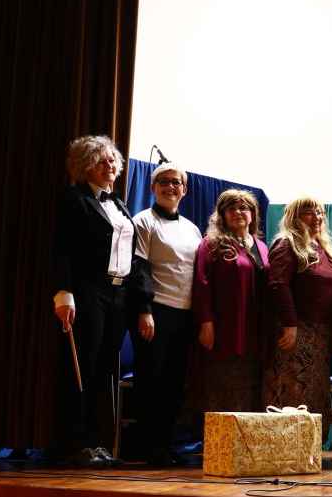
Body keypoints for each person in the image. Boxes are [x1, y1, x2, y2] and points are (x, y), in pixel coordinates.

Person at [52, 135, 150, 468]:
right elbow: (63, 249)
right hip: (88, 290)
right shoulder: (75, 199)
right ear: (85, 166)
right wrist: (63, 292)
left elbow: (132, 257)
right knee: (84, 367)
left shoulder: (119, 204)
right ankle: (74, 443)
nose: (110, 164)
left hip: (118, 295)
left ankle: (96, 443)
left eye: (112, 160)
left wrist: (141, 304)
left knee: (105, 369)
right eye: (101, 159)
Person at [130, 163, 202, 466]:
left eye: (176, 182)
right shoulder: (143, 221)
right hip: (156, 311)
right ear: (153, 188)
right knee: (152, 380)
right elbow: (139, 268)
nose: (170, 187)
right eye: (164, 181)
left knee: (175, 384)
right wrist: (144, 310)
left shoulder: (192, 228)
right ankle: (148, 447)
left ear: (184, 190)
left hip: (184, 314)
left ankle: (166, 444)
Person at [265, 197, 332, 433]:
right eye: (309, 212)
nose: (317, 217)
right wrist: (290, 324)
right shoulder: (287, 243)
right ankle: (286, 444)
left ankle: (310, 446)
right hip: (296, 333)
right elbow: (278, 284)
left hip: (320, 336)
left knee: (314, 393)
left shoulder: (324, 249)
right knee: (291, 391)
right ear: (294, 217)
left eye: (320, 212)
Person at [192, 189, 270, 414]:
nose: (238, 212)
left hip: (254, 330)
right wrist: (206, 323)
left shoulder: (262, 247)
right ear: (222, 215)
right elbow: (201, 284)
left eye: (243, 208)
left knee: (250, 388)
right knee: (221, 385)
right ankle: (219, 436)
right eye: (231, 208)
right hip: (224, 328)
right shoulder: (211, 244)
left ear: (252, 214)